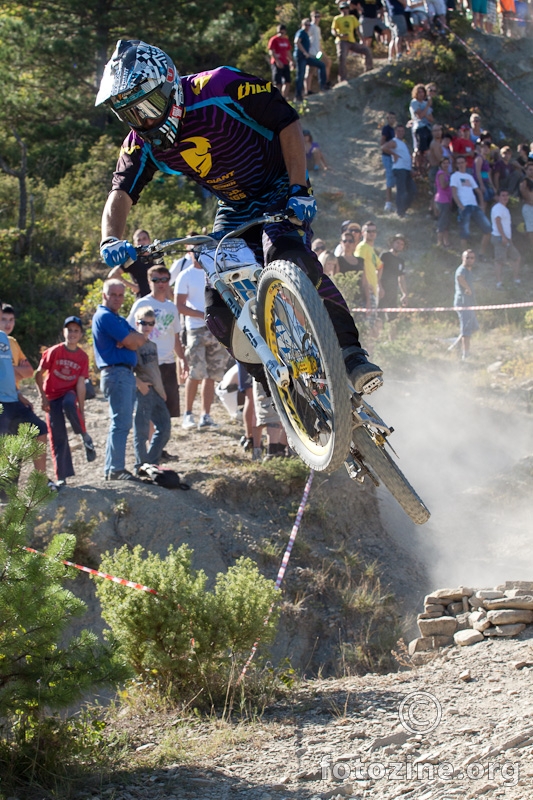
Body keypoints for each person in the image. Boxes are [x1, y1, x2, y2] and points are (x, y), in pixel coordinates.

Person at [96, 40, 382, 400]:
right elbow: (120, 190)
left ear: (168, 84)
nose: (144, 120)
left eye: (147, 106)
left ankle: (351, 355)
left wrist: (298, 188)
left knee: (289, 259)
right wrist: (110, 237)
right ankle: (282, 393)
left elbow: (287, 120)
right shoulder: (142, 141)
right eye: (131, 114)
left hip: (279, 185)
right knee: (218, 306)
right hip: (233, 206)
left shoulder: (219, 86)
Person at [92, 278, 145, 481]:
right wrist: (131, 340)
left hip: (121, 373)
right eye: (112, 294)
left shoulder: (117, 319)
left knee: (120, 422)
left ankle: (112, 468)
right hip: (117, 373)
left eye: (120, 295)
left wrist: (132, 340)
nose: (116, 298)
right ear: (104, 295)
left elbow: (137, 339)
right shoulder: (105, 317)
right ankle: (115, 469)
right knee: (121, 423)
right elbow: (133, 340)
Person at [34, 316, 95, 487]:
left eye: (76, 330)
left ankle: (83, 434)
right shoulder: (54, 351)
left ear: (81, 334)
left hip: (69, 393)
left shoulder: (82, 357)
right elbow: (38, 373)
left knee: (69, 404)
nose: (72, 333)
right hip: (52, 396)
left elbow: (81, 384)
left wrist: (81, 411)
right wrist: (42, 397)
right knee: (57, 435)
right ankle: (62, 476)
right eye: (69, 330)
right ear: (64, 332)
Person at [0, 303, 53, 488]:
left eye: (9, 318)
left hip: (12, 398)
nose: (6, 323)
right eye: (3, 318)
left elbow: (26, 371)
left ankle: (40, 482)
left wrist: (18, 393)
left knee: (39, 429)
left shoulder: (6, 340)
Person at [175, 250, 228, 431]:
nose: (197, 254)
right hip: (196, 329)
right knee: (195, 373)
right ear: (189, 253)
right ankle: (188, 414)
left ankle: (206, 415)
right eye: (193, 251)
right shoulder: (185, 275)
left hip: (216, 329)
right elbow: (179, 305)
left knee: (212, 374)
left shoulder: (214, 271)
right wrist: (203, 315)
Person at [127, 264, 187, 420]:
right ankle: (148, 441)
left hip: (168, 364)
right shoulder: (141, 304)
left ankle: (159, 443)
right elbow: (128, 333)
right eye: (156, 279)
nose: (160, 283)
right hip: (147, 363)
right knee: (149, 411)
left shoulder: (172, 307)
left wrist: (182, 359)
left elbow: (175, 337)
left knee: (168, 411)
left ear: (168, 281)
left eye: (164, 279)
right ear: (149, 281)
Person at [131, 306, 172, 472]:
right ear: (137, 323)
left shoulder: (153, 346)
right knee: (141, 430)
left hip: (156, 391)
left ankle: (152, 462)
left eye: (151, 323)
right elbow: (128, 368)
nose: (147, 326)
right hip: (142, 391)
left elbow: (155, 370)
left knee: (164, 427)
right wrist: (139, 383)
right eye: (143, 323)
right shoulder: (133, 344)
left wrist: (161, 391)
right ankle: (140, 465)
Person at [450, 155, 491, 255]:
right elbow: (454, 193)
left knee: (488, 229)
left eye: (462, 162)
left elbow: (478, 191)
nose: (460, 165)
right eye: (458, 163)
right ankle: (465, 256)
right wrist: (461, 207)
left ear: (466, 163)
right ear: (456, 165)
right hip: (464, 206)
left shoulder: (469, 176)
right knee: (464, 233)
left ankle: (481, 253)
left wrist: (481, 205)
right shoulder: (455, 176)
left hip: (475, 206)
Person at [107, 229, 161, 297]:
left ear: (149, 240)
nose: (142, 242)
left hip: (160, 300)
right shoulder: (132, 259)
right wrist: (132, 286)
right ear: (135, 243)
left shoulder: (156, 257)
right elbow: (113, 275)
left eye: (144, 238)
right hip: (143, 301)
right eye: (139, 240)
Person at [382, 123, 416, 217]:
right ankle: (400, 213)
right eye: (398, 131)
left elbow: (406, 157)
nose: (400, 133)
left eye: (402, 131)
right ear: (395, 132)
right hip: (399, 168)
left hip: (406, 169)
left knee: (412, 190)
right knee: (401, 191)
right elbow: (384, 147)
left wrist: (411, 169)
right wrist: (394, 154)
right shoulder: (394, 141)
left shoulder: (402, 143)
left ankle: (402, 210)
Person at [331, 2, 373, 79]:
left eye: (346, 8)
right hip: (341, 41)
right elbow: (333, 30)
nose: (345, 10)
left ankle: (369, 69)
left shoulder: (352, 18)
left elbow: (357, 30)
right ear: (340, 10)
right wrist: (339, 35)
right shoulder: (337, 18)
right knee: (342, 57)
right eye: (342, 9)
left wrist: (362, 39)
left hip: (351, 41)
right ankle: (342, 78)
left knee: (366, 50)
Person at [355, 221, 383, 334]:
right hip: (367, 291)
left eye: (374, 231)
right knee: (367, 327)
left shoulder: (371, 249)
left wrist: (378, 283)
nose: (371, 233)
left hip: (373, 291)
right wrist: (367, 285)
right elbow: (359, 268)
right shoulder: (362, 247)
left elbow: (381, 266)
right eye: (368, 231)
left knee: (372, 325)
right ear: (363, 233)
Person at [490, 189, 521, 288]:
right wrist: (503, 237)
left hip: (507, 238)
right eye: (503, 195)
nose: (505, 197)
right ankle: (499, 283)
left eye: (507, 195)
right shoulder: (498, 208)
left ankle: (515, 279)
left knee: (516, 257)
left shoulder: (504, 208)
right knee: (499, 261)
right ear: (498, 197)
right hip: (500, 238)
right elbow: (498, 222)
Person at [294, 19, 328, 102]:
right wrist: (305, 52)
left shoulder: (306, 34)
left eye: (309, 25)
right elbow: (297, 42)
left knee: (321, 65)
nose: (308, 26)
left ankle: (323, 85)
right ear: (302, 24)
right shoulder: (301, 32)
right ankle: (298, 95)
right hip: (301, 56)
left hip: (307, 57)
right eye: (306, 24)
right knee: (300, 75)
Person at [453, 250, 479, 361]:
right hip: (463, 302)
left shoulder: (469, 270)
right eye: (467, 257)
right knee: (466, 330)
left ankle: (455, 346)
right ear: (463, 258)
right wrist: (467, 288)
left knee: (474, 327)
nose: (470, 259)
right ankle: (465, 355)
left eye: (472, 258)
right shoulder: (462, 269)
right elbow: (459, 277)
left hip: (469, 303)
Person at [0, 304, 33, 389]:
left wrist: (10, 370)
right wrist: (19, 370)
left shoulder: (13, 342)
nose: (8, 324)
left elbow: (29, 372)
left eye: (11, 320)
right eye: (3, 319)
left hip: (14, 394)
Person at [305, 11, 332, 95]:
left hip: (318, 52)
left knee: (327, 63)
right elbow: (306, 38)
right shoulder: (311, 27)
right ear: (312, 17)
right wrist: (307, 51)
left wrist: (322, 52)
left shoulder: (317, 28)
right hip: (311, 52)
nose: (317, 18)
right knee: (311, 70)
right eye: (315, 16)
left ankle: (325, 82)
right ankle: (308, 90)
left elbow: (318, 42)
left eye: (318, 16)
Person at [409, 84, 433, 173]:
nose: (421, 94)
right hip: (419, 127)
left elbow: (431, 118)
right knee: (419, 148)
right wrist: (426, 109)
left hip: (427, 127)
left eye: (422, 92)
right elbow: (419, 116)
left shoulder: (425, 103)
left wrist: (425, 112)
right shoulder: (414, 102)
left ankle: (424, 166)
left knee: (428, 149)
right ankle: (416, 166)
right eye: (418, 92)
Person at [380, 234, 407, 312]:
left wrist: (404, 294)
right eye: (397, 243)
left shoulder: (401, 261)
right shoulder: (385, 256)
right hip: (382, 291)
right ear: (392, 243)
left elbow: (401, 279)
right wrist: (379, 287)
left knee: (393, 317)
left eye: (402, 244)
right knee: (380, 316)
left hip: (393, 292)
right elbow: (377, 272)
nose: (399, 245)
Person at [268, 24, 294, 101]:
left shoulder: (286, 40)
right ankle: (276, 99)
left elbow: (288, 51)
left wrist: (291, 61)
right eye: (279, 32)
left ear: (285, 32)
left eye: (282, 33)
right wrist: (277, 61)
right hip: (276, 63)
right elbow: (271, 51)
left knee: (287, 81)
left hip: (285, 62)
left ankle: (284, 98)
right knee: (277, 83)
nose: (280, 34)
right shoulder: (274, 39)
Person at [434, 156, 453, 247]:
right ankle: (439, 243)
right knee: (442, 221)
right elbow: (443, 186)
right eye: (444, 163)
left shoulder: (448, 173)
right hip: (442, 199)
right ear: (441, 164)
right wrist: (450, 181)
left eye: (447, 163)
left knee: (446, 222)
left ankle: (446, 242)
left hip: (447, 200)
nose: (446, 165)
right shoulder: (441, 173)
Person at [381, 111, 396, 212]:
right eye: (390, 118)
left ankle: (391, 202)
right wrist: (389, 151)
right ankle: (388, 202)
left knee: (393, 177)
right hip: (387, 156)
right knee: (389, 177)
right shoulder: (386, 129)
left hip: (393, 156)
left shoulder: (393, 130)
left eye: (393, 118)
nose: (392, 120)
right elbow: (382, 143)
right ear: (387, 119)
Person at [519, 160, 533, 252]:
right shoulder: (525, 181)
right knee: (530, 229)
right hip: (528, 207)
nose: (532, 171)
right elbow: (525, 194)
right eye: (530, 169)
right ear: (526, 170)